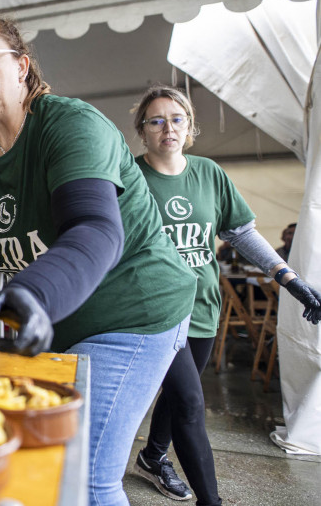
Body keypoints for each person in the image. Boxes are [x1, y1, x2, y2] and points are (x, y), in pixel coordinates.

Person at [0, 15, 195, 505]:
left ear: (22, 67)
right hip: (61, 314)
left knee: (84, 476)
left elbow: (94, 228)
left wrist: (34, 293)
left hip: (133, 310)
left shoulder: (70, 124)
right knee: (40, 463)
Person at [130, 85, 321, 505]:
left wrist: (289, 278)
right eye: (156, 121)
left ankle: (153, 455)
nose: (168, 128)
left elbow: (239, 232)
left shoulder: (208, 173)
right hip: (154, 310)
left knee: (181, 391)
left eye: (177, 119)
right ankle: (210, 500)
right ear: (141, 131)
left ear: (190, 126)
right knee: (191, 403)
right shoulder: (129, 177)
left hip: (202, 308)